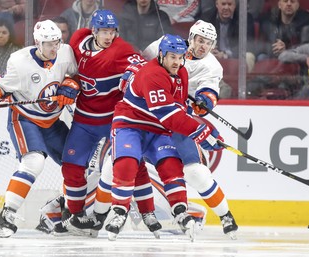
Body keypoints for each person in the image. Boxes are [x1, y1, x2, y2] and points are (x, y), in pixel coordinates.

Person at [105, 33, 225, 241]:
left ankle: (180, 211)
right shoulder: (153, 74)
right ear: (161, 55)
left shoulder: (183, 73)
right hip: (131, 124)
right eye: (172, 57)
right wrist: (201, 131)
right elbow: (169, 116)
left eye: (180, 57)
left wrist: (200, 103)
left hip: (157, 129)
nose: (177, 62)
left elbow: (178, 108)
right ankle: (119, 212)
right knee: (125, 164)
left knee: (171, 164)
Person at [0, 19, 79, 238]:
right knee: (34, 162)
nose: (54, 48)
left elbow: (77, 77)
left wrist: (71, 85)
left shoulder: (66, 53)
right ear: (37, 43)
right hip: (25, 120)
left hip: (52, 121)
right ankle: (6, 216)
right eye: (49, 43)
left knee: (76, 163)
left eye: (57, 42)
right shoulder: (20, 62)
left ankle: (57, 213)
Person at [60, 9, 159, 236]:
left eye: (112, 31)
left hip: (113, 119)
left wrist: (131, 73)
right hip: (84, 118)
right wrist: (69, 81)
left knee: (129, 162)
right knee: (71, 165)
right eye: (104, 31)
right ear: (94, 31)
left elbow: (142, 66)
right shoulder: (78, 39)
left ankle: (146, 211)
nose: (109, 36)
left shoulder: (120, 49)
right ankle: (76, 216)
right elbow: (71, 68)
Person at [142, 20, 238, 238]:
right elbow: (141, 63)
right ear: (191, 37)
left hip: (178, 120)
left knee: (196, 172)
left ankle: (225, 215)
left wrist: (204, 101)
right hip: (149, 117)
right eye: (200, 40)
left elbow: (209, 92)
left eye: (209, 43)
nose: (203, 46)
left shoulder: (212, 66)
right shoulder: (165, 44)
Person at [199, 0, 256, 72]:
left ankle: (247, 82)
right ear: (217, 4)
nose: (226, 7)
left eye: (229, 4)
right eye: (223, 4)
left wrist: (226, 54)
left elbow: (248, 44)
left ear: (235, 5)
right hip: (214, 54)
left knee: (249, 56)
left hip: (235, 54)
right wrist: (208, 49)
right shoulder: (206, 18)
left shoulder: (245, 18)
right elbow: (199, 40)